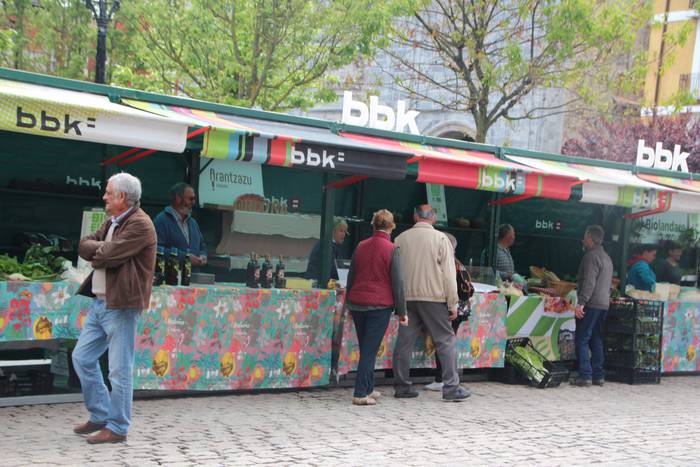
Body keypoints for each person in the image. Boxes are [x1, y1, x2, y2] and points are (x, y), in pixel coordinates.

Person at [72, 173, 157, 443]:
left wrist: (100, 253)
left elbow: (108, 255)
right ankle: (100, 414)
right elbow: (84, 245)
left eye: (109, 192)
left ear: (122, 197)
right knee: (82, 358)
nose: (104, 197)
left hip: (121, 306)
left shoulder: (141, 224)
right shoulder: (113, 220)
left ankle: (118, 427)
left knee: (119, 371)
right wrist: (102, 252)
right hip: (100, 304)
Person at [392, 204, 471, 401]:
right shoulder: (441, 239)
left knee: (404, 343)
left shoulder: (400, 239)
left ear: (414, 216)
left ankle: (402, 386)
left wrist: (397, 299)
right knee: (445, 341)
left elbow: (393, 272)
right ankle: (451, 388)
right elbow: (449, 275)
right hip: (434, 298)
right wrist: (452, 303)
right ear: (434, 218)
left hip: (407, 298)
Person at [346, 209, 407, 406]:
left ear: (373, 225)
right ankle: (360, 393)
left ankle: (369, 387)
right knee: (369, 350)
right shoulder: (392, 249)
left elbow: (351, 276)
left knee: (367, 347)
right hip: (379, 305)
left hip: (357, 303)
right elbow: (398, 282)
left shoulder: (361, 246)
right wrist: (402, 311)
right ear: (391, 227)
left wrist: (348, 302)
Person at [425, 232, 473, 391]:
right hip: (461, 308)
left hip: (451, 307)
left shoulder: (447, 263)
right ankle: (446, 377)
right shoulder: (458, 263)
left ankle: (442, 378)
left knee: (443, 343)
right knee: (447, 342)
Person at [572, 225, 613, 387]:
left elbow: (589, 282)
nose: (583, 240)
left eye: (585, 237)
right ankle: (598, 375)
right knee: (596, 339)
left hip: (592, 303)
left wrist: (581, 303)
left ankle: (585, 375)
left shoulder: (590, 257)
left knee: (582, 339)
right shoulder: (607, 257)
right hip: (604, 304)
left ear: (590, 238)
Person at [153, 182, 207, 266]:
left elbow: (202, 246)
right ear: (178, 199)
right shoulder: (161, 221)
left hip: (193, 273)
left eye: (194, 199)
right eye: (191, 199)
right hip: (171, 273)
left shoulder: (193, 222)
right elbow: (155, 250)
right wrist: (184, 257)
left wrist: (203, 255)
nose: (193, 202)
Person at [305, 217, 348, 283]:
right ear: (333, 231)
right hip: (315, 283)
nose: (343, 234)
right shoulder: (326, 246)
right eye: (341, 231)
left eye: (344, 231)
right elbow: (332, 269)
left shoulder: (333, 245)